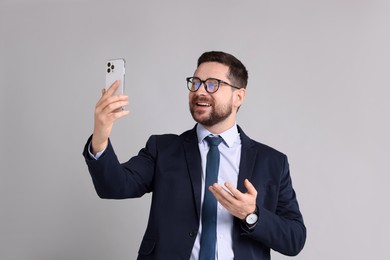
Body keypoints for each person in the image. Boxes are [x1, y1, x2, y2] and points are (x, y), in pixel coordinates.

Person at [83, 51, 306, 259]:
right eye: (196, 83)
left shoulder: (272, 162)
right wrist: (100, 135)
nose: (199, 91)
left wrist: (251, 214)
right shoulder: (163, 149)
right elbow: (114, 186)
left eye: (212, 85)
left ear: (238, 96)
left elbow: (294, 239)